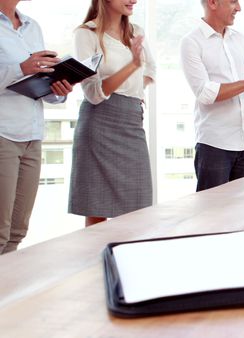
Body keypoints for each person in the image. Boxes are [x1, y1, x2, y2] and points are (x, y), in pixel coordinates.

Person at [180, 0, 244, 191]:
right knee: (212, 212)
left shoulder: (240, 40)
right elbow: (205, 93)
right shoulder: (191, 42)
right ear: (212, 3)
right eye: (233, 1)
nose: (239, 8)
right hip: (215, 145)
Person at [68, 0, 155, 226]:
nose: (134, 0)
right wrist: (132, 66)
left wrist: (134, 89)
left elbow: (151, 70)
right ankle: (97, 262)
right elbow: (93, 93)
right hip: (99, 123)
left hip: (132, 122)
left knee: (138, 211)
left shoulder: (136, 32)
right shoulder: (86, 34)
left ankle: (127, 260)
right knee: (96, 211)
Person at [0, 0, 73, 254]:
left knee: (17, 231)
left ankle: (7, 291)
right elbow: (24, 70)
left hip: (32, 133)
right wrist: (20, 68)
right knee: (0, 231)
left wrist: (58, 89)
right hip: (3, 133)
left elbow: (37, 78)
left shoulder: (33, 27)